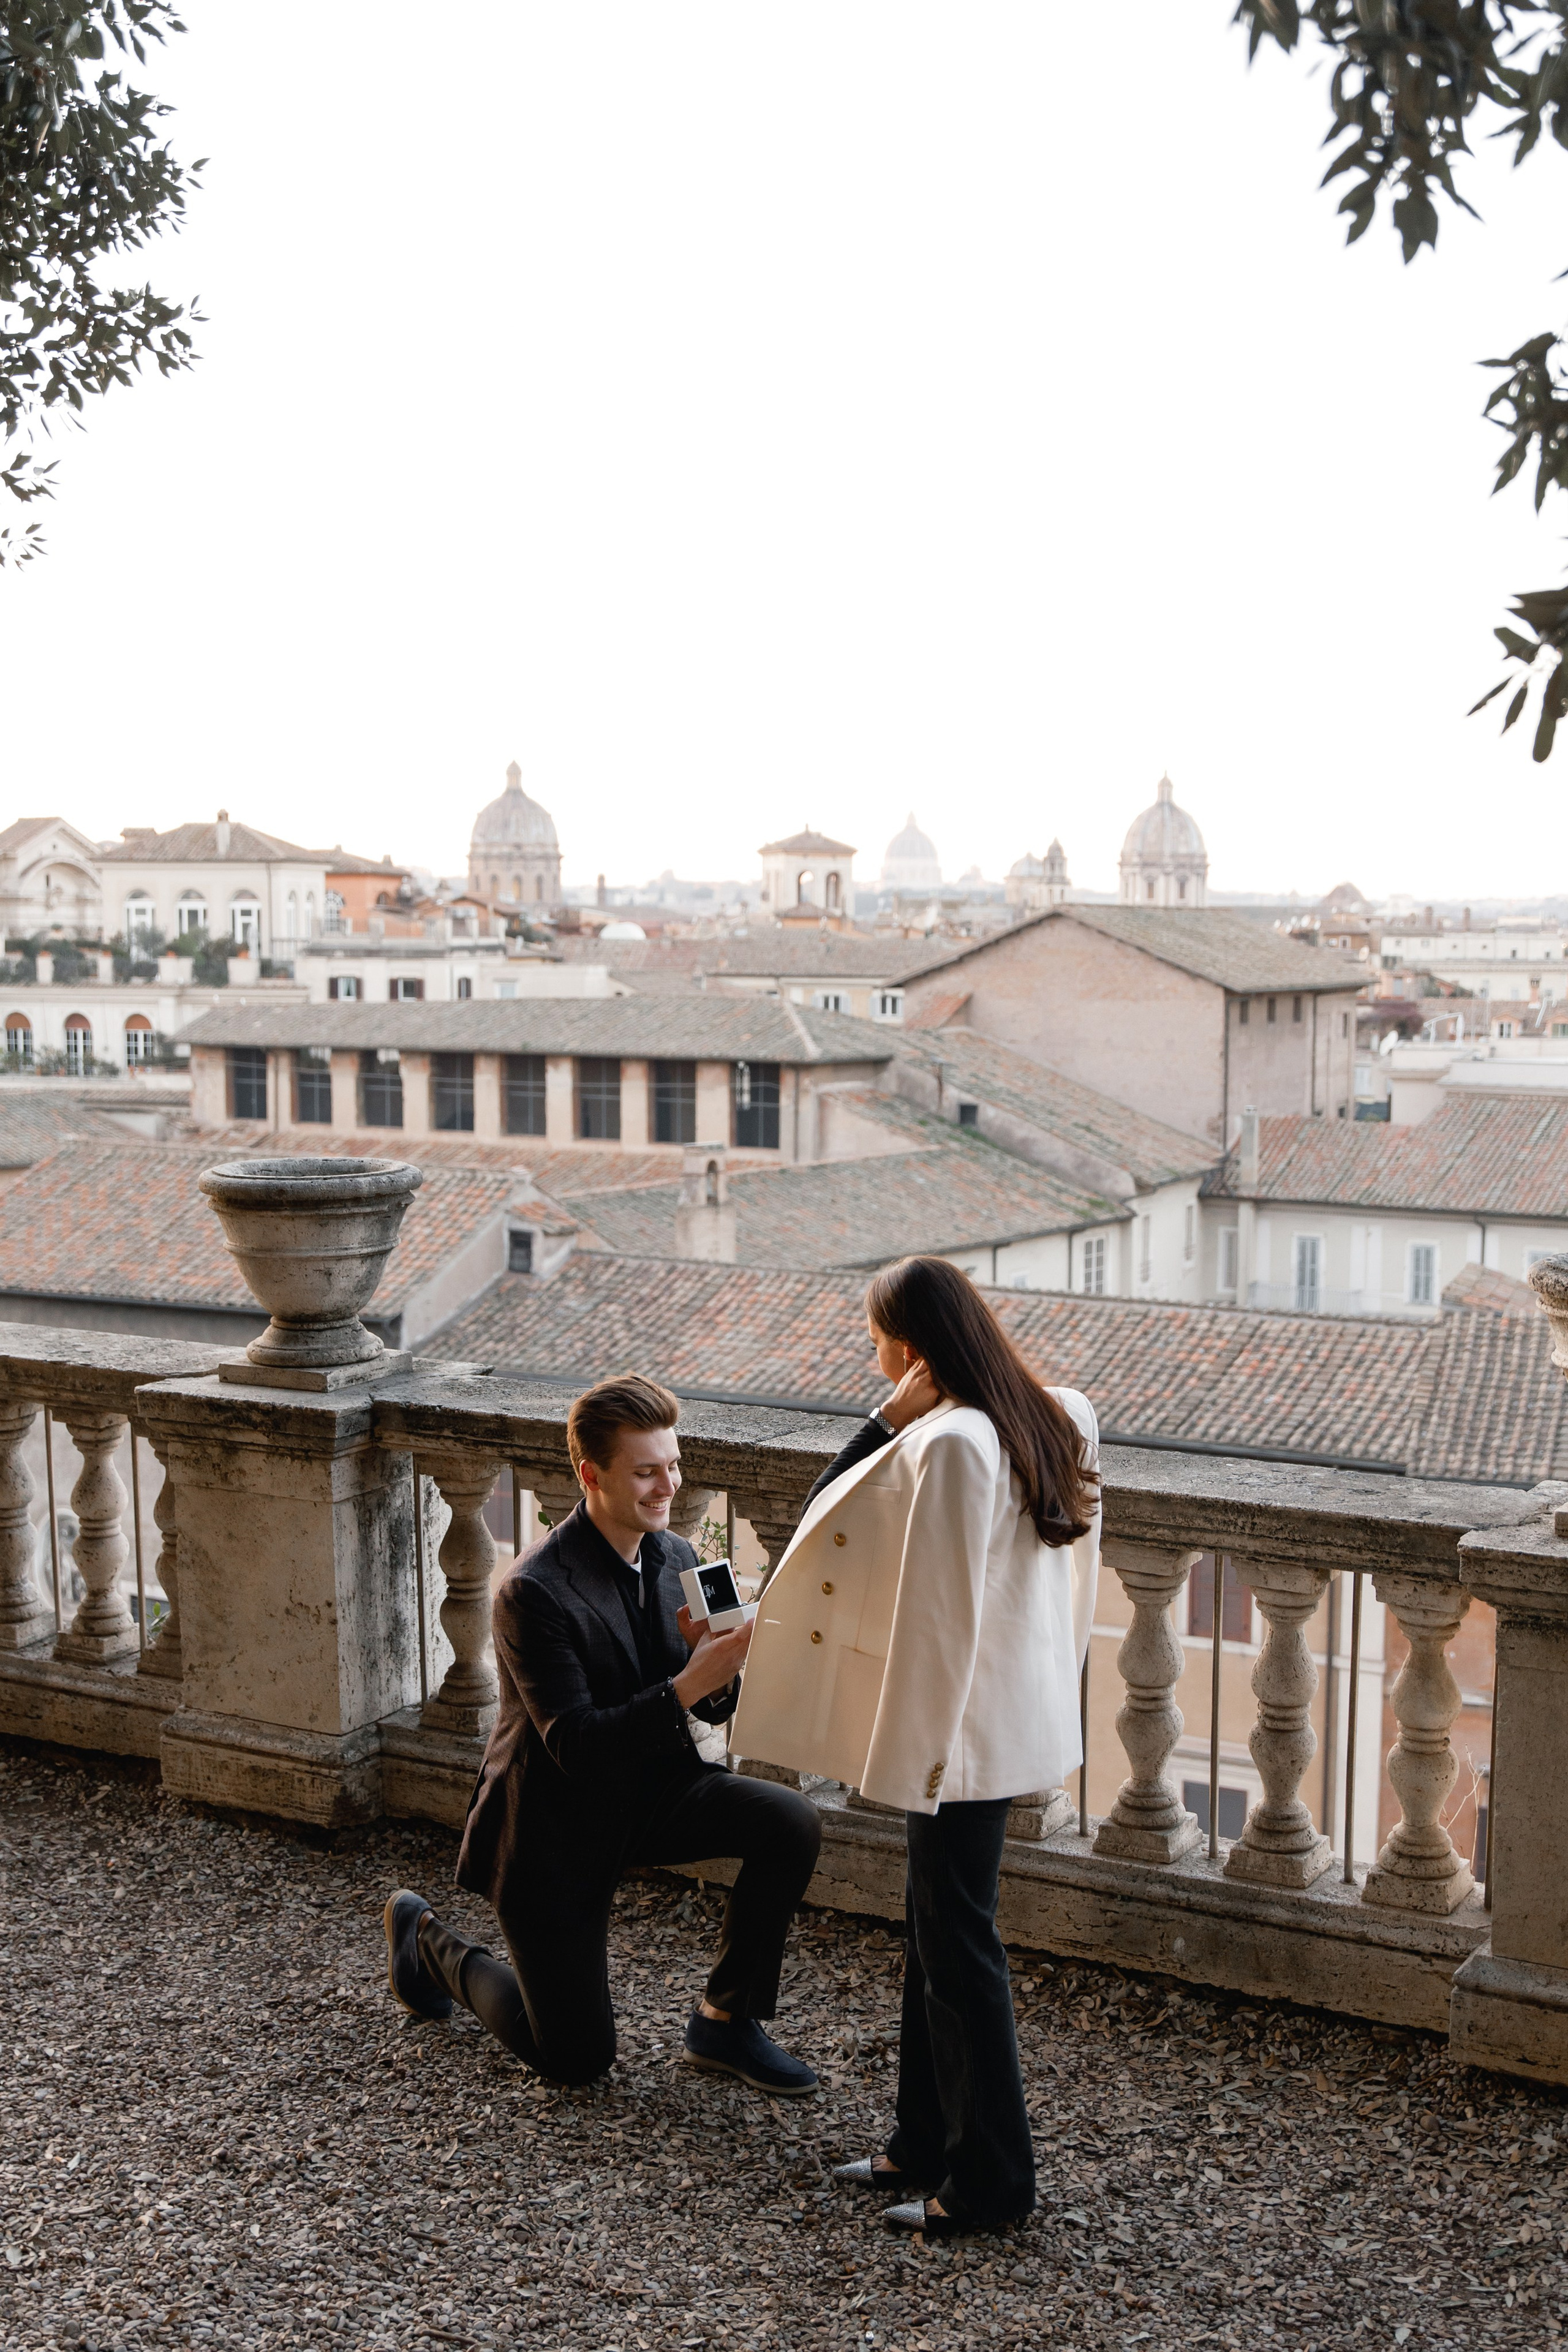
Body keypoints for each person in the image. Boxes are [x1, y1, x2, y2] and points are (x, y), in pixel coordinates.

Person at [732, 1256, 1100, 2235]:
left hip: (956, 1734)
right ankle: (921, 2140)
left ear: (909, 1350)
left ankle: (989, 2187)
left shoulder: (949, 1447)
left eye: (877, 1343)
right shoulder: (1054, 1413)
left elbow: (898, 1584)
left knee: (958, 1941)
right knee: (940, 1927)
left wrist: (883, 1421)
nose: (874, 1357)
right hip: (1008, 1718)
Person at [383, 1372, 822, 2094]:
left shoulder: (681, 1558)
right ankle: (428, 1943)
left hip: (652, 1792)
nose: (668, 1486)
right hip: (553, 1824)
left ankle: (724, 2023)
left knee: (790, 1821)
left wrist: (719, 1671)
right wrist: (688, 1680)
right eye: (646, 1472)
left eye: (673, 1466)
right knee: (575, 2059)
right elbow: (576, 1747)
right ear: (591, 1475)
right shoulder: (531, 1591)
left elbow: (710, 1711)